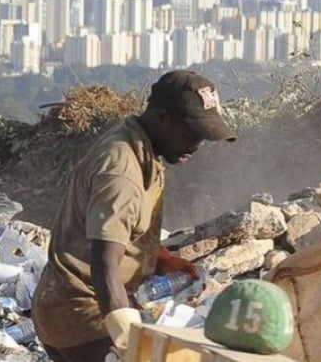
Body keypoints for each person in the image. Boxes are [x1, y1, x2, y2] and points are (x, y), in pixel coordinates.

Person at [32, 70, 237, 362]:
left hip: (75, 310)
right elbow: (104, 263)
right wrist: (129, 344)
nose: (196, 145)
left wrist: (162, 259)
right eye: (191, 133)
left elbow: (123, 231)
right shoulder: (122, 170)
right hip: (82, 318)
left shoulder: (141, 148)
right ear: (162, 117)